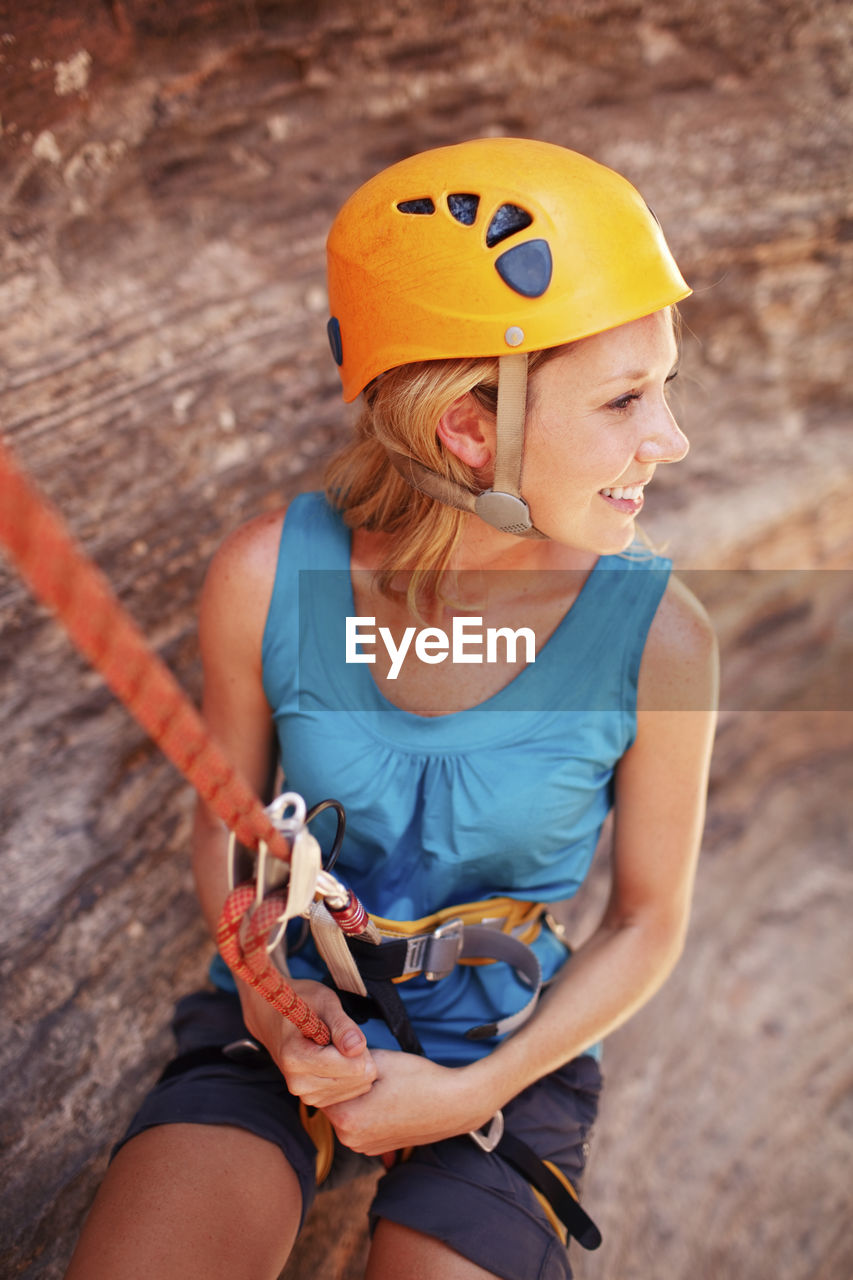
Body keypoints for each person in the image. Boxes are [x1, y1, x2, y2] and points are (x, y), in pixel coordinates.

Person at [66, 137, 718, 1280]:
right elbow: (226, 821)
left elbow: (644, 920)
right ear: (467, 428)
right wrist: (273, 1007)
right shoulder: (269, 580)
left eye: (659, 387)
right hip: (288, 998)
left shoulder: (661, 641)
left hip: (511, 1042)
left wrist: (470, 1090)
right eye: (624, 398)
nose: (667, 438)